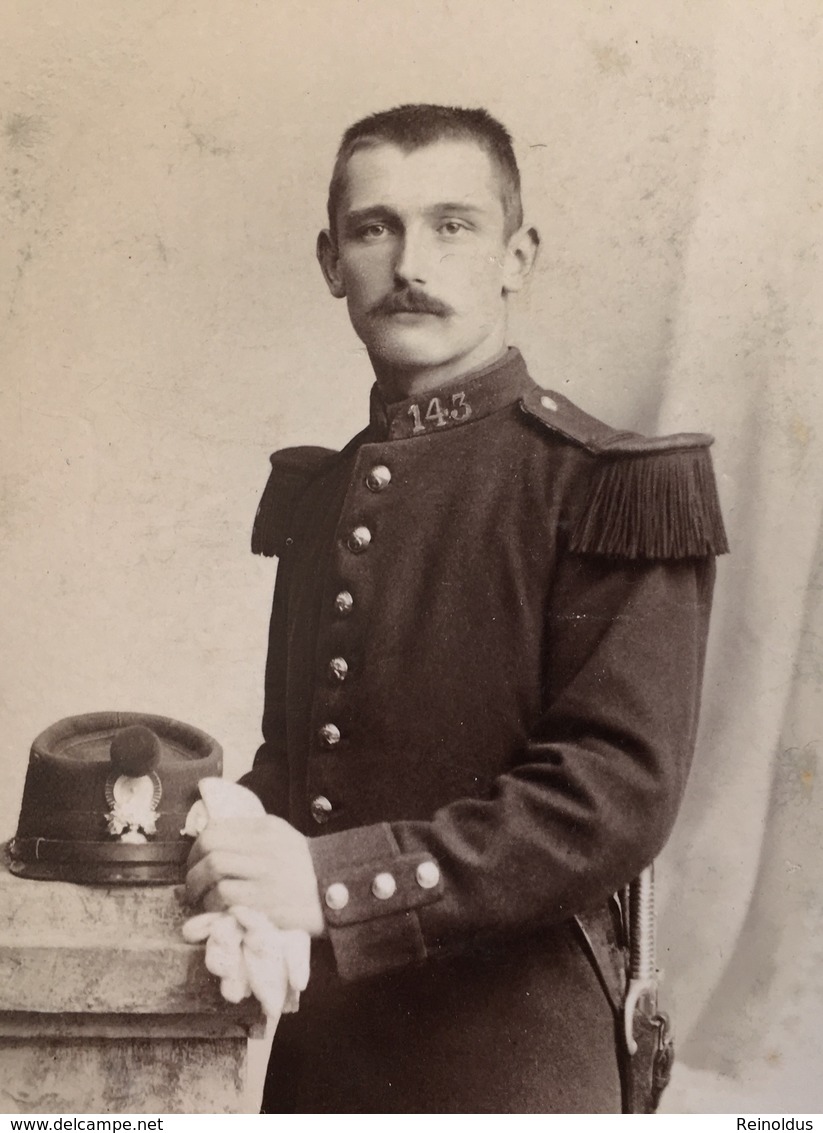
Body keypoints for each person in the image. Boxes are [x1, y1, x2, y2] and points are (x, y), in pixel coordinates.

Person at [185, 103, 727, 1113]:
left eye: (453, 225)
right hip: (313, 1038)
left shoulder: (607, 488)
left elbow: (612, 794)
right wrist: (223, 835)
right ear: (329, 259)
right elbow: (301, 765)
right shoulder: (324, 491)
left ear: (516, 255)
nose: (408, 261)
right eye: (373, 226)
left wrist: (334, 887)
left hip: (506, 1046)